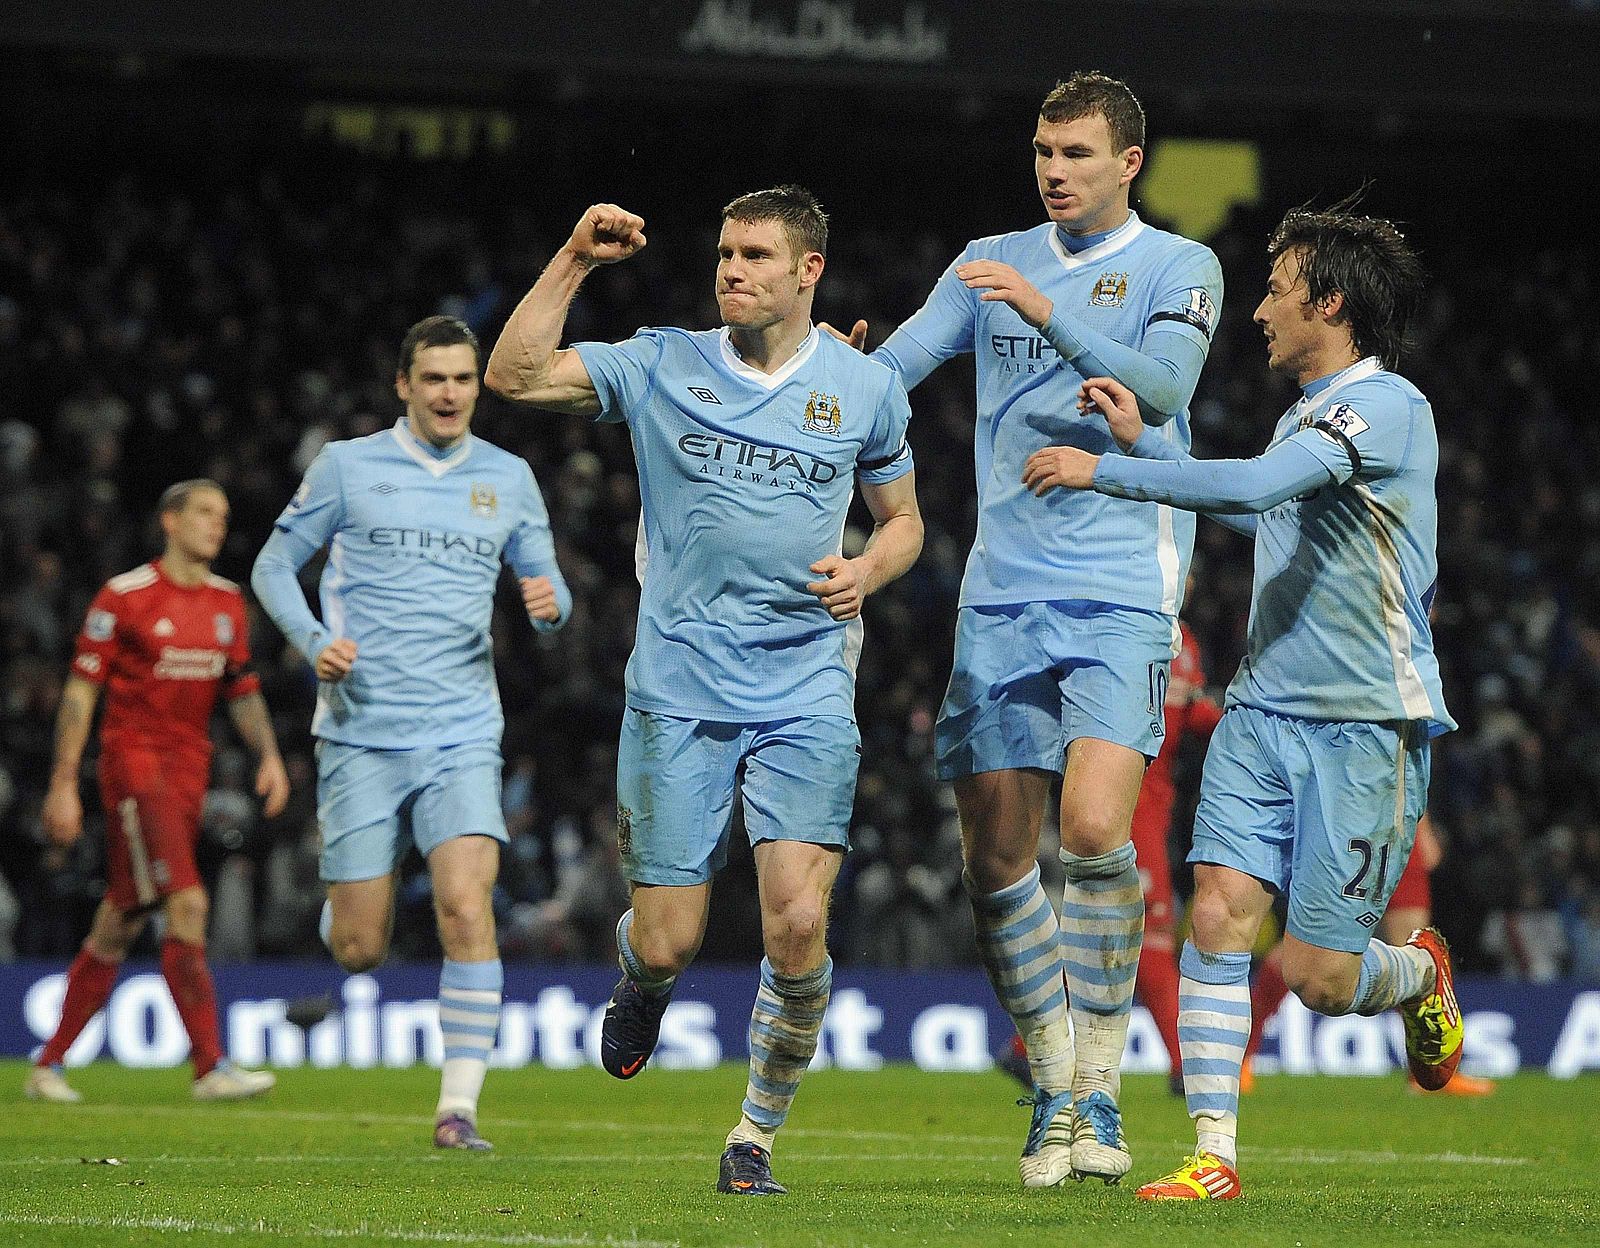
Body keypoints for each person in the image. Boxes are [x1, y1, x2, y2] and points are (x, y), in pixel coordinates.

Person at [483, 187, 922, 1196]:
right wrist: (574, 259)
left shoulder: (863, 387)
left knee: (799, 924)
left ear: (808, 270)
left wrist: (870, 570)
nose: (732, 268)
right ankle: (639, 976)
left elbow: (904, 521)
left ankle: (753, 1137)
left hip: (807, 682)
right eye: (725, 251)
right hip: (677, 690)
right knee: (672, 936)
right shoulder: (663, 362)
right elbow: (512, 375)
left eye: (757, 255)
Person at [834, 70, 1224, 1186]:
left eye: (1077, 154)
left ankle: (1101, 1095)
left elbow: (1165, 382)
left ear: (1128, 163)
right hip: (1000, 591)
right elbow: (898, 366)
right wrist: (835, 377)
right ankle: (1053, 1079)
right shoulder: (986, 256)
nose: (1054, 171)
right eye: (1044, 152)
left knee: (1098, 831)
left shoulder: (1174, 266)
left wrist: (1048, 314)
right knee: (996, 856)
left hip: (1120, 584)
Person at [1028, 202, 1462, 1200]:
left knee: (1319, 978)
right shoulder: (1300, 415)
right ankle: (1214, 1155)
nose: (1259, 309)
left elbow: (1262, 490)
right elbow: (1255, 491)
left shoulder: (1386, 407)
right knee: (1217, 915)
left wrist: (1109, 469)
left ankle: (1418, 976)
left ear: (1332, 301)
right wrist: (1146, 449)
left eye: (1275, 289)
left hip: (1364, 724)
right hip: (1260, 713)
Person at [251, 315, 571, 1151]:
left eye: (463, 379)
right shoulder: (349, 468)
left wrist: (549, 606)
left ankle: (457, 1110)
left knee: (469, 906)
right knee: (361, 945)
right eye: (433, 378)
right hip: (360, 732)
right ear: (404, 385)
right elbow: (273, 566)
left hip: (463, 730)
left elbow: (549, 584)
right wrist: (316, 641)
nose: (450, 393)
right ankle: (341, 930)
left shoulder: (508, 477)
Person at [26, 480, 289, 1103]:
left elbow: (242, 687)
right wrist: (64, 781)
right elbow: (80, 692)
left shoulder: (229, 604)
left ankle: (49, 1064)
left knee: (122, 917)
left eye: (223, 516)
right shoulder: (124, 597)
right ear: (169, 521)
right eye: (203, 512)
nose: (216, 525)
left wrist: (270, 755)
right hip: (134, 768)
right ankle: (210, 1067)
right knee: (187, 901)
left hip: (189, 769)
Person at [995, 613, 1221, 1097]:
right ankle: (1186, 1067)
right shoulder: (1148, 630)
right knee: (1149, 940)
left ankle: (1024, 1047)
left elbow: (1192, 713)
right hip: (1124, 803)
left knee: (1106, 935)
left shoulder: (1180, 638)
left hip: (1152, 804)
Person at [1239, 812, 1495, 1097]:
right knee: (1299, 953)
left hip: (1399, 827)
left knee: (1419, 956)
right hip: (1348, 822)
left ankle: (1431, 1071)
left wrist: (1421, 820)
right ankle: (1240, 1057)